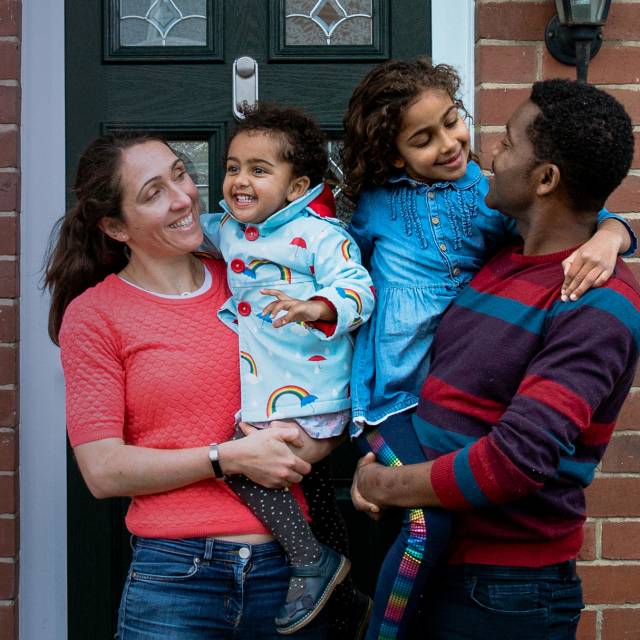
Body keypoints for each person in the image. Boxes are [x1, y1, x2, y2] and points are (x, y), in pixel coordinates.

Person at [340, 59, 637, 639]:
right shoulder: (500, 260)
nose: (483, 155)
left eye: (506, 144)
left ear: (545, 179)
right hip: (445, 568)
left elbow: (515, 463)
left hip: (507, 592)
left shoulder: (595, 301)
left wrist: (379, 484)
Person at [45, 131, 338, 639]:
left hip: (294, 573)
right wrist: (227, 458)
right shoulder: (95, 317)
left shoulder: (251, 278)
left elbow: (326, 381)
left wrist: (308, 446)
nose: (183, 198)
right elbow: (103, 470)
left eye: (180, 173)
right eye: (153, 192)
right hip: (176, 577)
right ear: (116, 226)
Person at [199, 104, 375, 634]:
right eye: (232, 167)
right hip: (270, 393)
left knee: (239, 461)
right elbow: (184, 230)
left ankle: (310, 562)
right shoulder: (229, 230)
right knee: (272, 470)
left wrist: (314, 306)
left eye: (259, 169)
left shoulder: (321, 235)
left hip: (314, 391)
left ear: (297, 187)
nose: (239, 180)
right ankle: (342, 595)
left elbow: (358, 289)